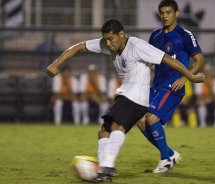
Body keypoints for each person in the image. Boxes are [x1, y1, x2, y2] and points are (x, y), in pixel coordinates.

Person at [46, 19, 205, 182]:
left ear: (121, 35)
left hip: (136, 97)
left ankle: (106, 168)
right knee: (103, 132)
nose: (108, 43)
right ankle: (106, 166)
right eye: (105, 39)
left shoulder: (137, 46)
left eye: (111, 39)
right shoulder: (110, 45)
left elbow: (168, 59)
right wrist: (56, 63)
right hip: (125, 95)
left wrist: (189, 76)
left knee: (117, 126)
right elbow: (80, 46)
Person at [137, 0, 205, 174]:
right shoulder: (155, 35)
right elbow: (149, 60)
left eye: (168, 12)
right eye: (162, 13)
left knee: (152, 118)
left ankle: (166, 159)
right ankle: (169, 153)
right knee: (140, 120)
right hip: (156, 85)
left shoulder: (184, 34)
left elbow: (199, 60)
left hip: (173, 85)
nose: (165, 16)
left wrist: (185, 77)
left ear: (177, 14)